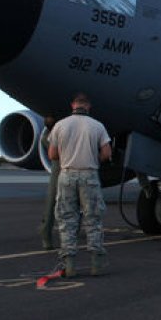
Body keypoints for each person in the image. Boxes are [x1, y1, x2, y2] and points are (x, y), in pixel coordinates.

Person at [47, 93, 112, 277]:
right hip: (89, 175)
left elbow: (52, 155)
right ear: (88, 106)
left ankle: (69, 265)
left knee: (67, 220)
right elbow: (106, 153)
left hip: (67, 175)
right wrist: (93, 158)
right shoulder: (97, 126)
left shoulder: (60, 125)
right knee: (93, 218)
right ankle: (96, 263)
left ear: (72, 105)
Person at [36, 114, 60, 250]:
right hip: (67, 171)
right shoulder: (51, 137)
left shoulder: (46, 137)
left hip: (57, 172)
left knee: (51, 204)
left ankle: (46, 234)